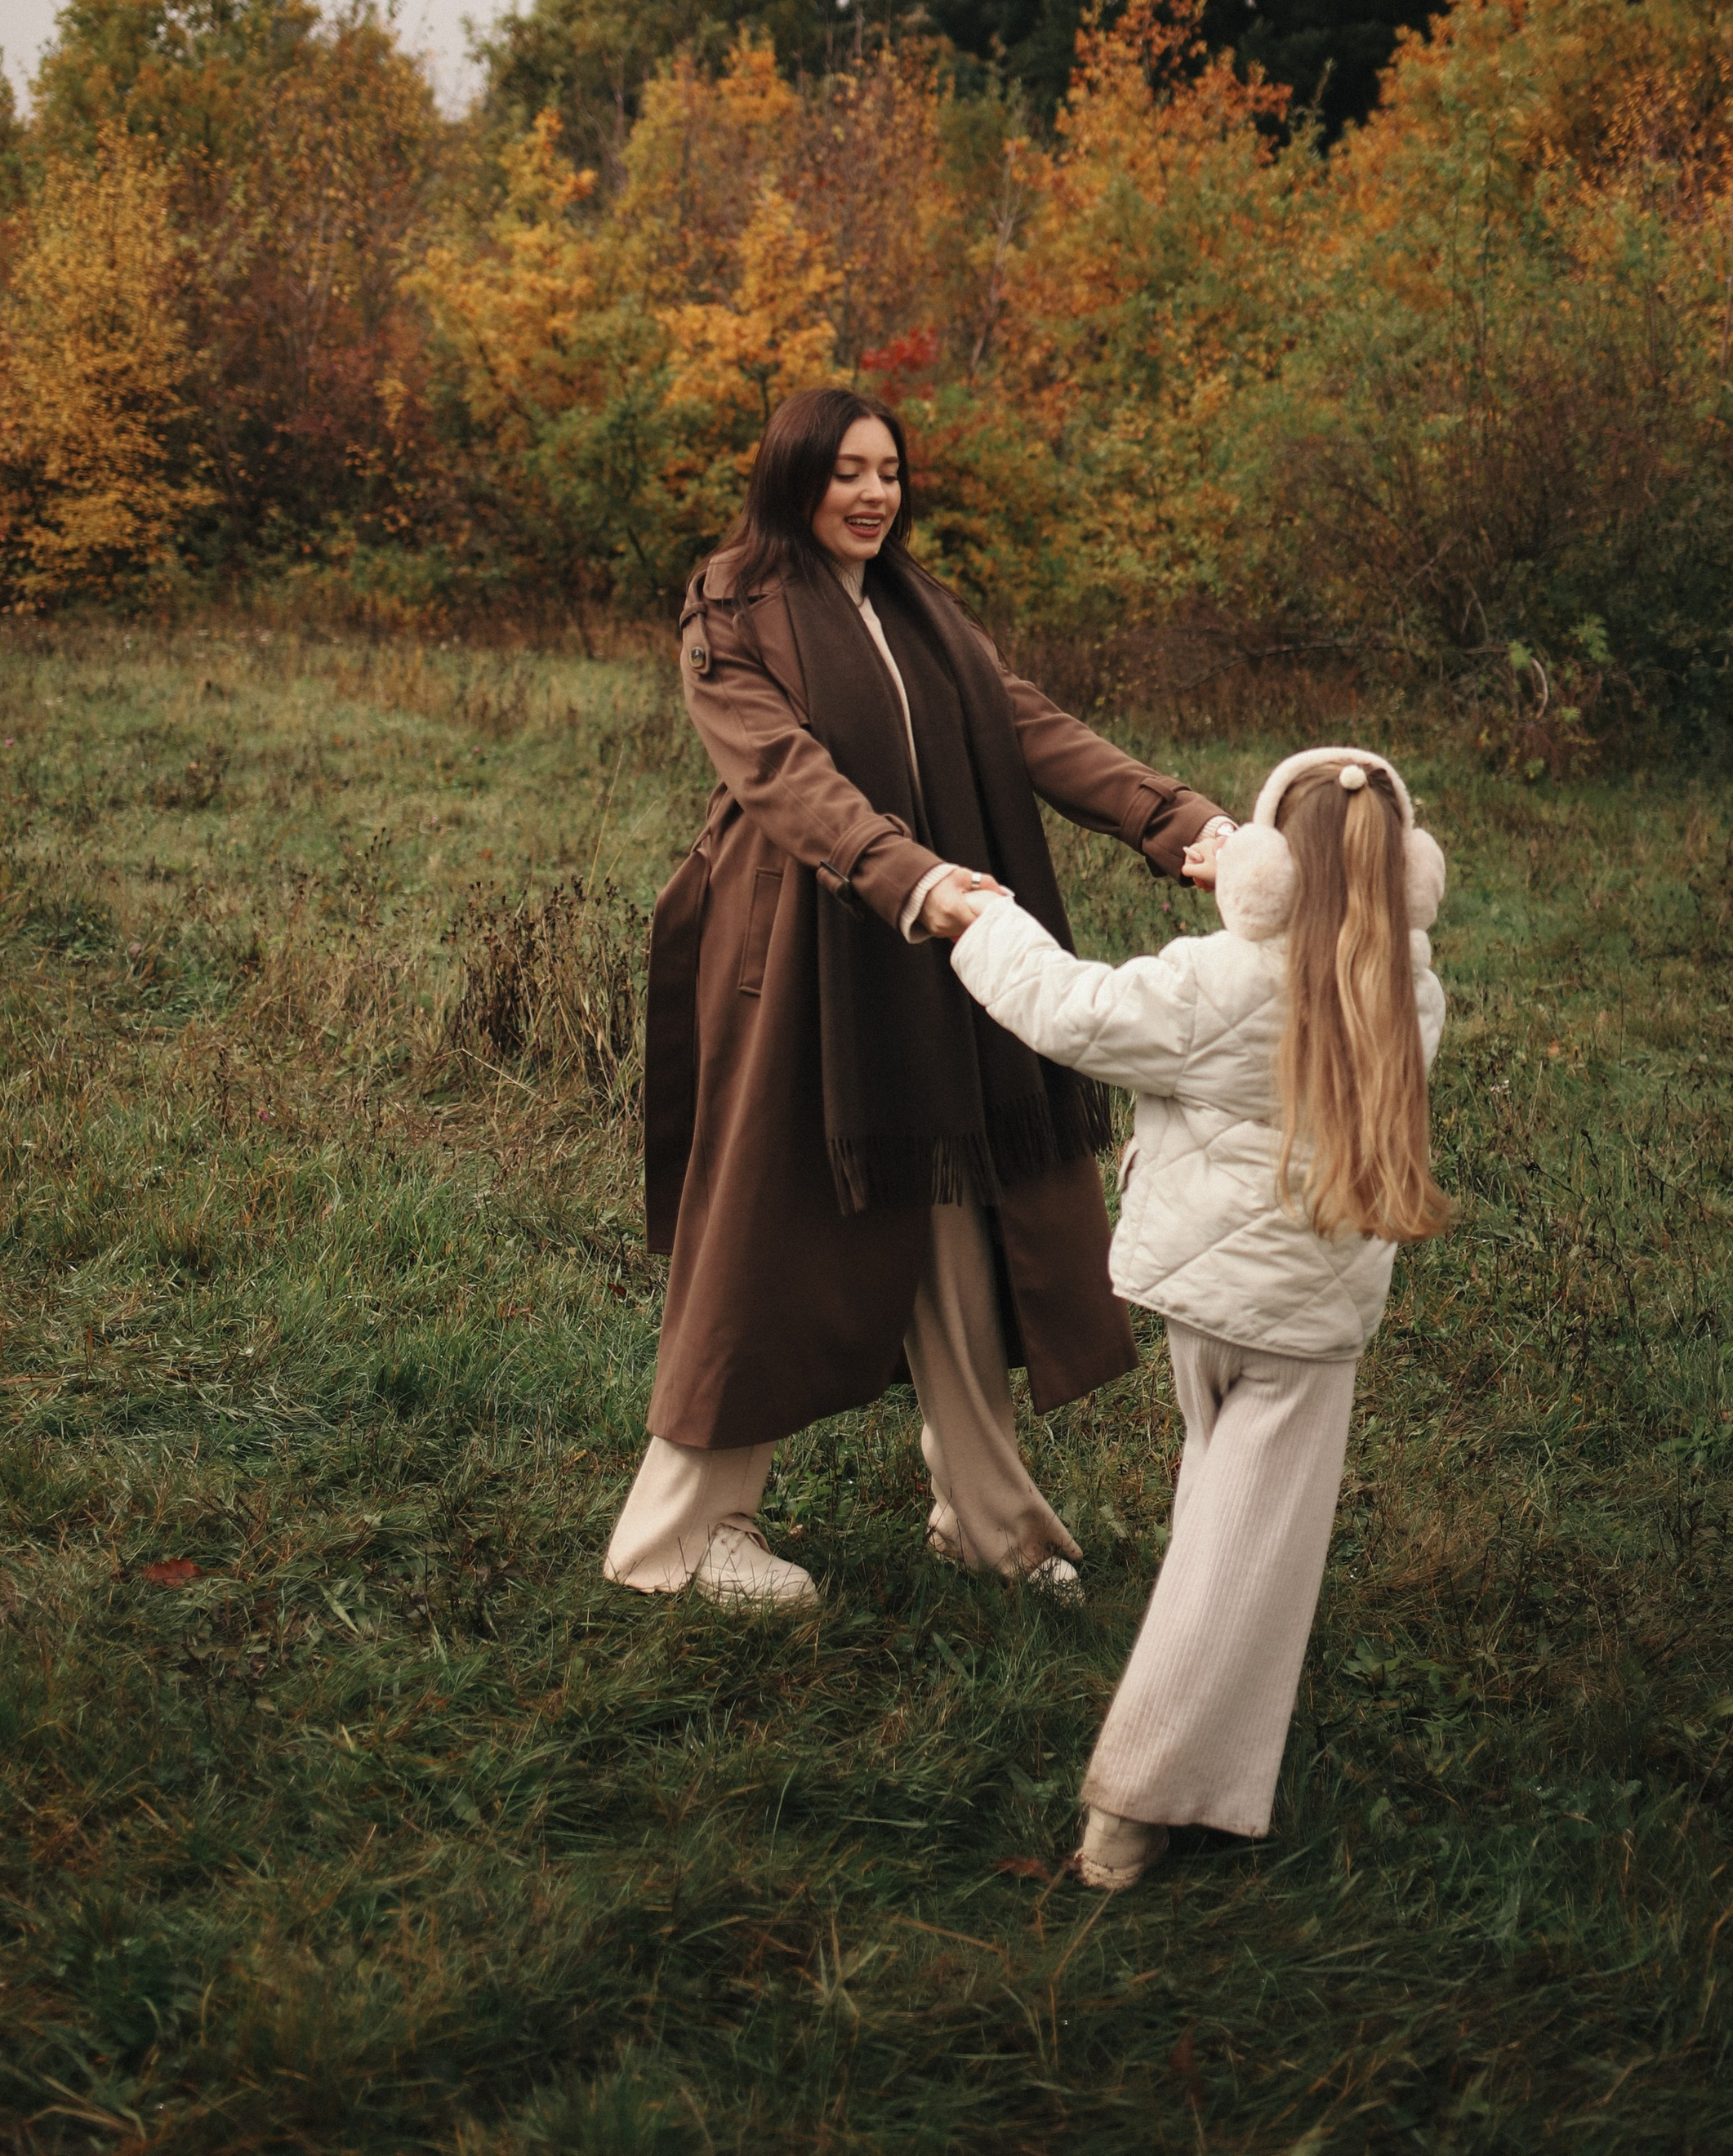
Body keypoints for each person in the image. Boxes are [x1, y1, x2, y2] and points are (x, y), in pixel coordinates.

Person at [603, 386, 1236, 1610]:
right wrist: (914, 878)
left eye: (890, 471)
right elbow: (785, 775)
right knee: (763, 1234)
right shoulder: (731, 606)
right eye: (847, 471)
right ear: (794, 477)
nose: (874, 493)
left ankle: (991, 1520)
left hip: (947, 934)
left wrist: (1181, 821)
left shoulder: (921, 610)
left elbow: (1028, 729)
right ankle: (674, 1538)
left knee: (959, 1210)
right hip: (798, 956)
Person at [947, 746, 1450, 1887]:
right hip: (1303, 1330)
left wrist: (986, 922)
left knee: (1213, 1511)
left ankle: (1195, 1746)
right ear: (1409, 878)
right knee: (1242, 1553)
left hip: (1198, 1306)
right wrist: (1245, 885)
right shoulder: (1412, 994)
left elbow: (1067, 1007)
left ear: (1267, 874)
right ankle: (1139, 1804)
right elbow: (1327, 941)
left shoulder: (1215, 980)